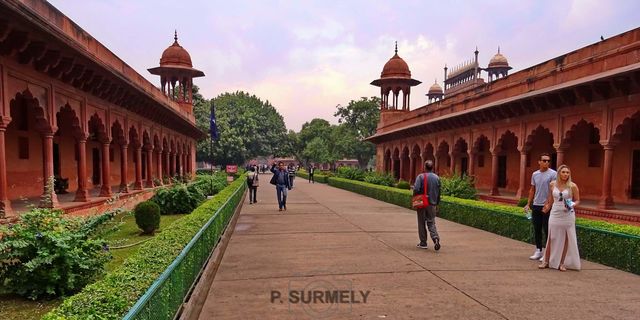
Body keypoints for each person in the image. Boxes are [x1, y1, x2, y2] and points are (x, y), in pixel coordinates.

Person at [539, 165, 581, 271]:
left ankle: (562, 263)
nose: (566, 174)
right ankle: (546, 261)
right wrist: (547, 206)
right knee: (551, 237)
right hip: (555, 213)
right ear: (559, 173)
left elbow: (577, 200)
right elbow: (551, 199)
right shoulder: (552, 184)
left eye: (567, 172)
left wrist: (572, 205)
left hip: (568, 214)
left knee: (566, 238)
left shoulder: (572, 186)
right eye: (563, 172)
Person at [523, 153, 557, 261]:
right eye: (544, 160)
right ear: (539, 162)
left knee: (547, 229)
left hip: (546, 206)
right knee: (537, 228)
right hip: (536, 205)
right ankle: (538, 250)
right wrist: (528, 203)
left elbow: (553, 191)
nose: (546, 162)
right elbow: (532, 189)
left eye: (548, 161)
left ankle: (547, 252)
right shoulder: (535, 174)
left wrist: (549, 204)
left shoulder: (553, 174)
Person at [413, 160, 441, 250]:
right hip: (432, 204)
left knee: (421, 223)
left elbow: (416, 189)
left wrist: (415, 199)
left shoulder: (421, 176)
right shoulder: (437, 178)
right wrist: (437, 203)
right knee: (431, 222)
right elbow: (438, 192)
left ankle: (423, 243)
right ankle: (435, 238)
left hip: (422, 203)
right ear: (432, 167)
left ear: (424, 167)